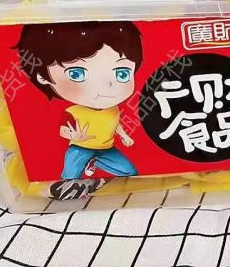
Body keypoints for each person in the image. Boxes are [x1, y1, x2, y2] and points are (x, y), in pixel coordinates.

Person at [16, 21, 142, 179]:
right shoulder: (73, 112)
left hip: (106, 148)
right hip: (80, 148)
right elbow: (63, 130)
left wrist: (124, 135)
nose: (106, 85)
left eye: (121, 73)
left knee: (130, 172)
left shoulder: (113, 109)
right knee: (69, 178)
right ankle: (84, 167)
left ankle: (95, 161)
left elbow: (114, 124)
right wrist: (74, 137)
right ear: (42, 76)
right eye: (77, 74)